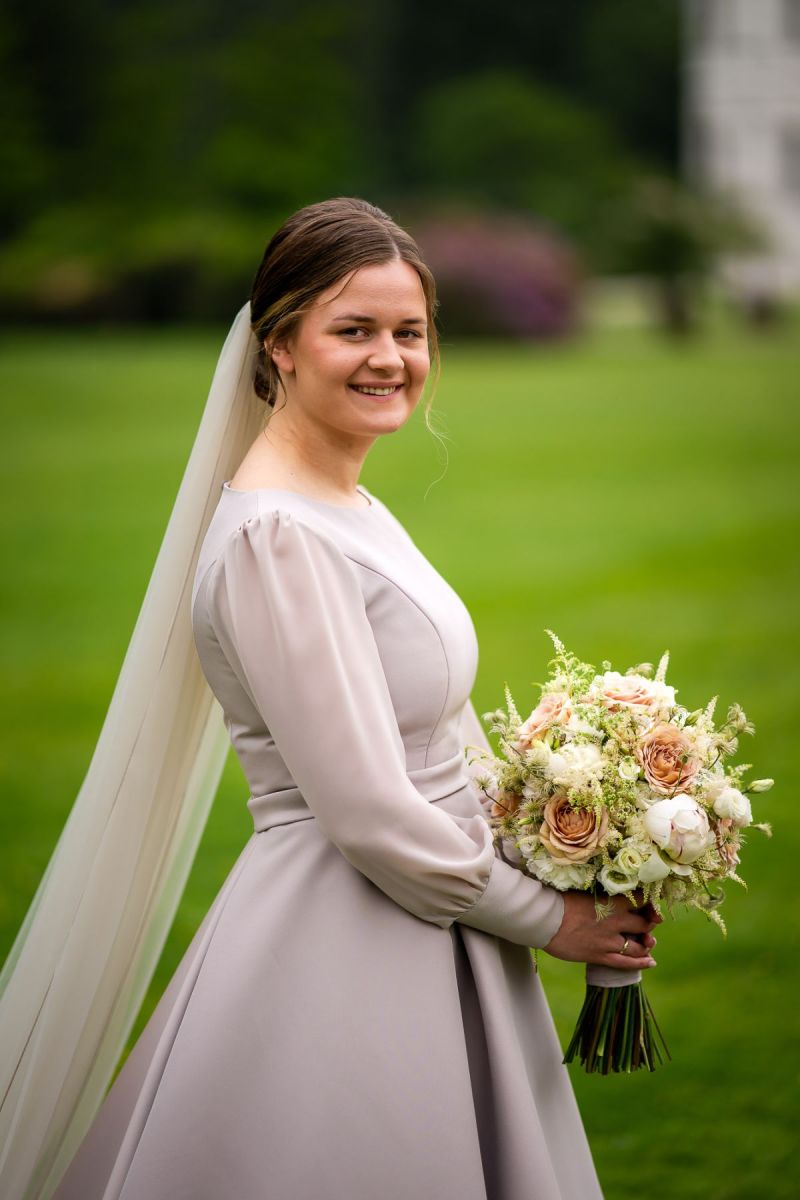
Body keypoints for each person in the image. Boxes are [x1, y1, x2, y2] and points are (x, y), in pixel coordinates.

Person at [2, 197, 659, 1200]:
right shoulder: (279, 539)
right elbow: (362, 809)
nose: (389, 357)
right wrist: (547, 918)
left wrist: (567, 824)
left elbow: (419, 737)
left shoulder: (340, 499)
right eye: (353, 330)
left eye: (409, 331)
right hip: (347, 940)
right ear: (279, 348)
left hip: (435, 911)